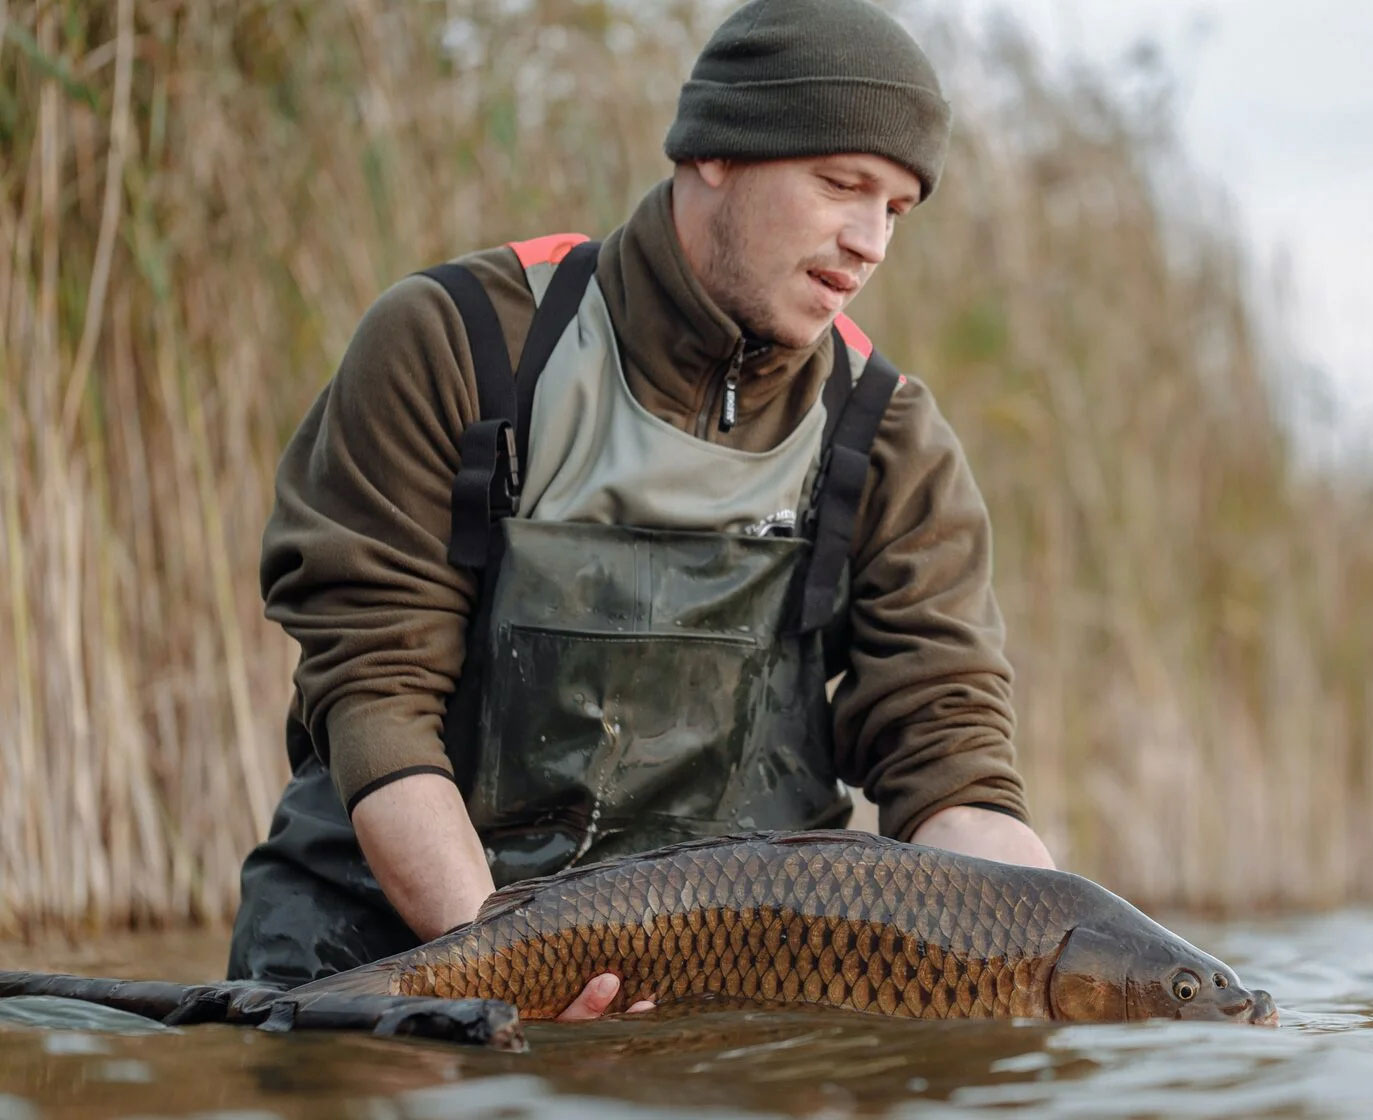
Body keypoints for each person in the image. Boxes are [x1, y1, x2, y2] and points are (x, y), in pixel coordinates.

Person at [227, 0, 1056, 1018]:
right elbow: (376, 696)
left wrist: (1054, 947)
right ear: (715, 151)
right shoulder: (460, 344)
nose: (870, 238)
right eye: (842, 184)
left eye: (897, 207)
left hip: (716, 1008)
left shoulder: (890, 437)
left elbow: (953, 759)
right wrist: (500, 971)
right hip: (387, 959)